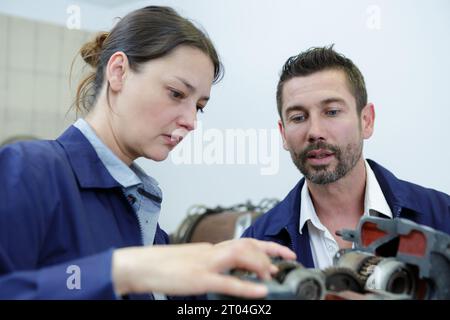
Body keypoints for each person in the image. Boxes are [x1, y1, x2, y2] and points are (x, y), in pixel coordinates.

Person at [0, 6, 296, 299]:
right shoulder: (29, 170)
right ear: (118, 72)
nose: (191, 122)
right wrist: (123, 271)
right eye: (176, 94)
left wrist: (222, 282)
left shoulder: (144, 215)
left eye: (199, 106)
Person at [242, 45, 450, 270]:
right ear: (283, 134)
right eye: (299, 117)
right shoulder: (257, 245)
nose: (315, 131)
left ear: (366, 121)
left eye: (331, 112)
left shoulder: (442, 216)